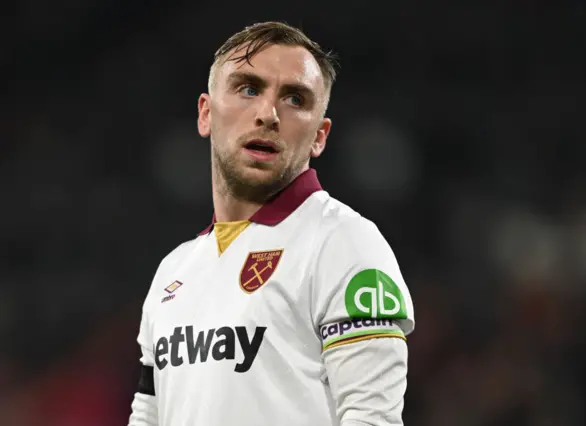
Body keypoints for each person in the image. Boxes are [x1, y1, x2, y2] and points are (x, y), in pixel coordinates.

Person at [128, 21, 415, 426]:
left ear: (320, 135)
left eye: (295, 98)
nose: (268, 114)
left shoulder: (344, 243)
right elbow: (147, 416)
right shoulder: (172, 274)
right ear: (206, 114)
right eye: (248, 88)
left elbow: (373, 419)